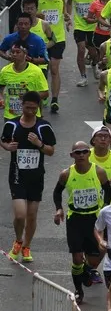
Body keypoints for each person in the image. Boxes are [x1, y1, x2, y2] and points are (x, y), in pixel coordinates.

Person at [53, 139, 111, 302]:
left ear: (89, 153)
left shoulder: (99, 172)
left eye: (84, 152)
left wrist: (105, 209)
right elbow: (57, 192)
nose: (81, 155)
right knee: (77, 258)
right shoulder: (66, 174)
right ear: (72, 155)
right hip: (75, 219)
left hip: (94, 218)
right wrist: (59, 209)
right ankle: (79, 290)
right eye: (77, 153)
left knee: (97, 255)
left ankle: (86, 272)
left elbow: (108, 191)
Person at [1, 90, 55, 262]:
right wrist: (7, 147)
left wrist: (39, 144)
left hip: (36, 175)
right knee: (20, 215)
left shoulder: (43, 126)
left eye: (34, 108)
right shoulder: (12, 124)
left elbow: (51, 151)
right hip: (17, 174)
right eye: (27, 107)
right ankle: (18, 240)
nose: (31, 111)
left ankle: (26, 246)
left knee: (32, 215)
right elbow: (3, 140)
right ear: (22, 105)